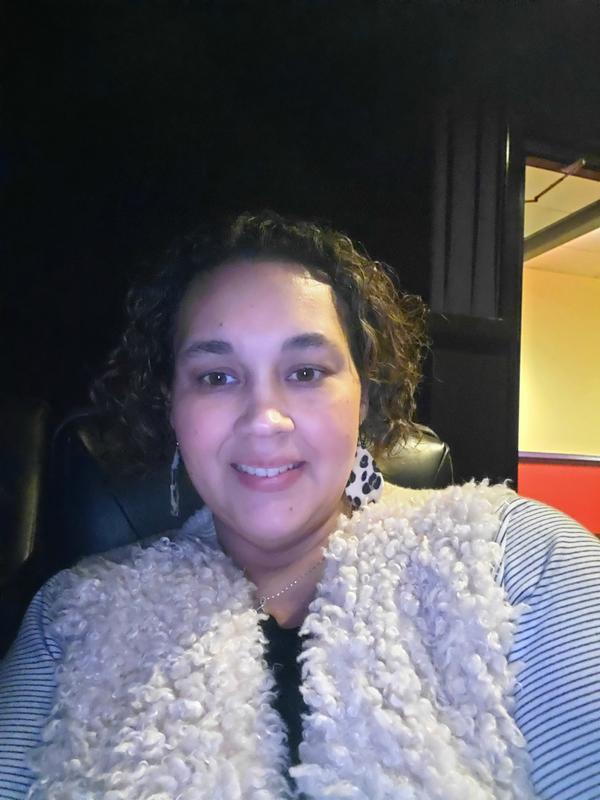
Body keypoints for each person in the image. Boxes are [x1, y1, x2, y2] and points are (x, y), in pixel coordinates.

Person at [1, 211, 600, 800]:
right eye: (216, 377)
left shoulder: (515, 556)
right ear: (171, 406)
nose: (265, 419)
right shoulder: (75, 614)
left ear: (364, 393)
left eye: (306, 371)